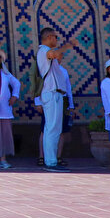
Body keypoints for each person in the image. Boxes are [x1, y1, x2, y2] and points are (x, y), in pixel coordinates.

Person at [36, 27, 75, 171]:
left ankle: (50, 160)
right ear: (50, 37)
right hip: (51, 94)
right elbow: (54, 54)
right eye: (55, 37)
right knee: (52, 128)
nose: (56, 40)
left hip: (55, 94)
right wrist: (68, 46)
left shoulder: (45, 52)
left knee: (52, 128)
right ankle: (51, 162)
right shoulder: (43, 50)